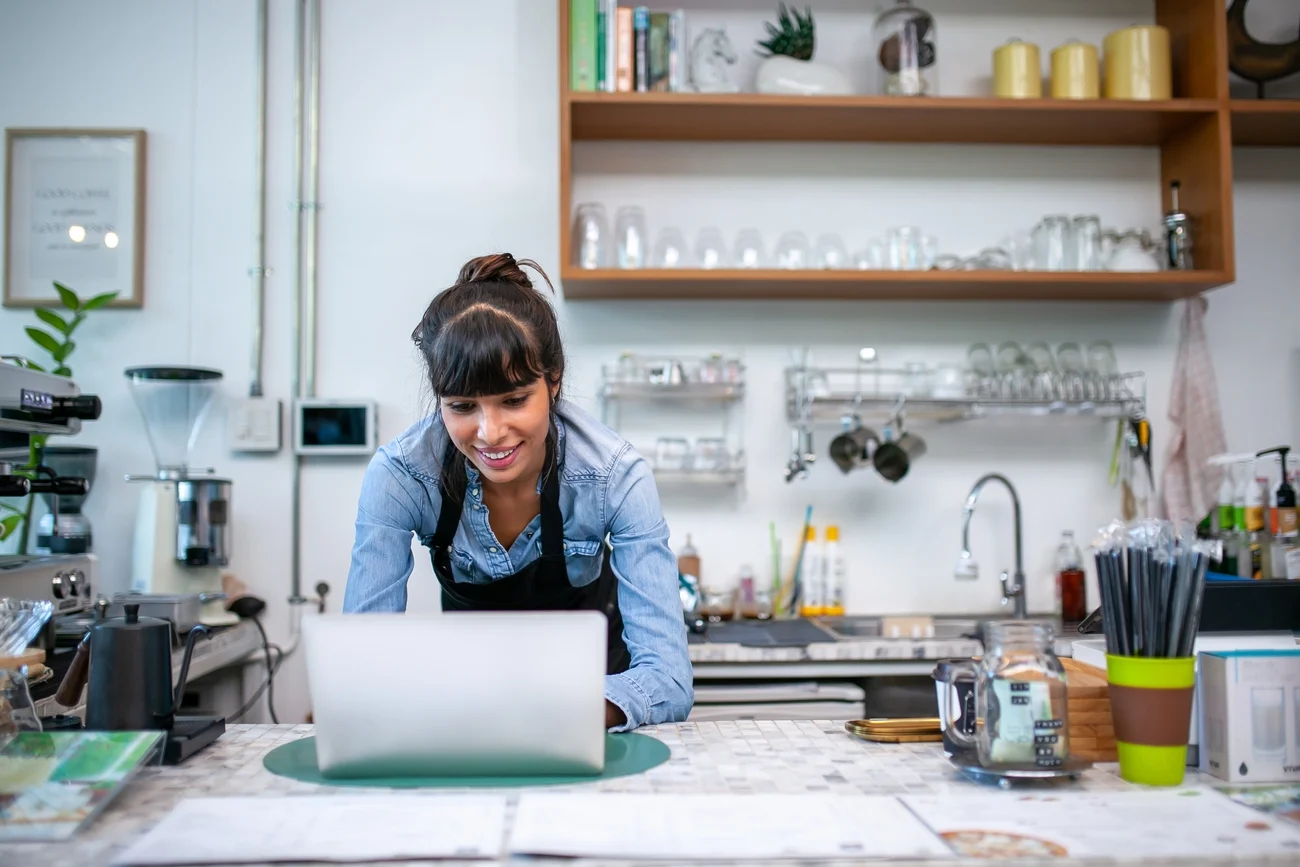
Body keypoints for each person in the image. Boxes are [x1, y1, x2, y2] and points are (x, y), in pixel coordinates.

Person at [342, 253, 693, 731]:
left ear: (553, 384)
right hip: (472, 711)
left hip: (593, 716)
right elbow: (365, 664)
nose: (490, 432)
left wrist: (556, 712)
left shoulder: (614, 475)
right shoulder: (401, 476)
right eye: (463, 405)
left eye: (513, 400)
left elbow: (668, 681)